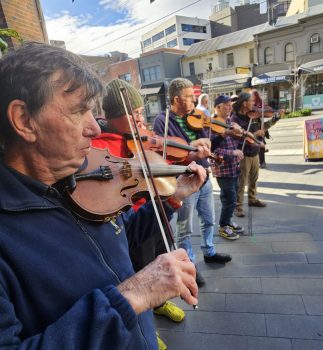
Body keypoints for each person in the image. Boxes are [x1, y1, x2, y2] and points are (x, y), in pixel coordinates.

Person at [0, 42, 207, 349]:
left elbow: (124, 236)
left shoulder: (77, 180)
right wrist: (133, 295)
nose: (95, 129)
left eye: (93, 112)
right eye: (79, 111)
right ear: (24, 120)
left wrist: (170, 198)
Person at [92, 78, 187, 350]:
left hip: (152, 215)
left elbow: (161, 162)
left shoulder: (139, 140)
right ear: (114, 116)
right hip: (130, 223)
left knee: (158, 260)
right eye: (133, 114)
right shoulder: (103, 147)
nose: (139, 119)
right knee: (139, 276)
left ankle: (158, 304)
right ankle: (144, 326)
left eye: (140, 113)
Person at [153, 78, 232, 287]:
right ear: (176, 99)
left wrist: (206, 141)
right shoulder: (163, 120)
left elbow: (207, 140)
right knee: (185, 227)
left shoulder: (197, 116)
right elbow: (166, 155)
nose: (194, 100)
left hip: (204, 175)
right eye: (189, 97)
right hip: (184, 180)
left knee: (209, 219)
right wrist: (192, 146)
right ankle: (190, 265)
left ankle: (209, 251)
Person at [211, 95, 244, 240]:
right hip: (223, 170)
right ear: (217, 107)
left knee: (232, 197)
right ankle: (223, 226)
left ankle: (228, 221)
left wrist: (240, 134)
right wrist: (233, 152)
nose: (230, 107)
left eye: (230, 104)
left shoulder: (230, 121)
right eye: (226, 104)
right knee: (229, 200)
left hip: (233, 168)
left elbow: (235, 140)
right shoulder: (212, 125)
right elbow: (213, 151)